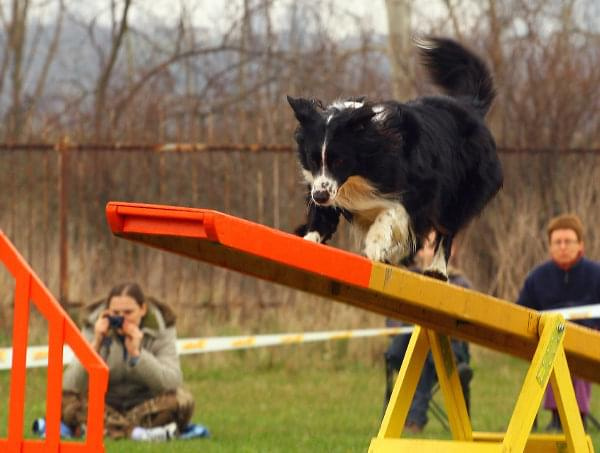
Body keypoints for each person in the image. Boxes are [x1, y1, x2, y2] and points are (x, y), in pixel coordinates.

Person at [60, 282, 199, 441]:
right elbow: (71, 384)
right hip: (104, 406)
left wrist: (137, 355)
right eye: (116, 313)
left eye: (128, 313)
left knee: (183, 400)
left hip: (145, 406)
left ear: (143, 310)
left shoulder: (161, 329)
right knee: (64, 401)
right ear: (107, 311)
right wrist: (96, 344)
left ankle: (107, 430)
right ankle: (136, 433)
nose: (121, 319)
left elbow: (171, 382)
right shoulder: (94, 328)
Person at [517, 213, 600, 431]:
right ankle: (557, 417)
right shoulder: (536, 278)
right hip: (548, 340)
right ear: (550, 246)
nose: (563, 247)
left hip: (589, 342)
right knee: (555, 346)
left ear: (580, 244)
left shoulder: (596, 274)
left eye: (568, 241)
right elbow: (521, 312)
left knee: (575, 349)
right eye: (557, 242)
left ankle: (576, 416)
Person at [383, 233, 473, 433]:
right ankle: (413, 417)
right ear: (419, 249)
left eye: (436, 246)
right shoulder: (407, 278)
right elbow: (392, 319)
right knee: (405, 353)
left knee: (430, 358)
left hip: (449, 346)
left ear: (450, 249)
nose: (430, 252)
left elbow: (468, 326)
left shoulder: (460, 283)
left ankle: (414, 419)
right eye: (427, 246)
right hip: (408, 345)